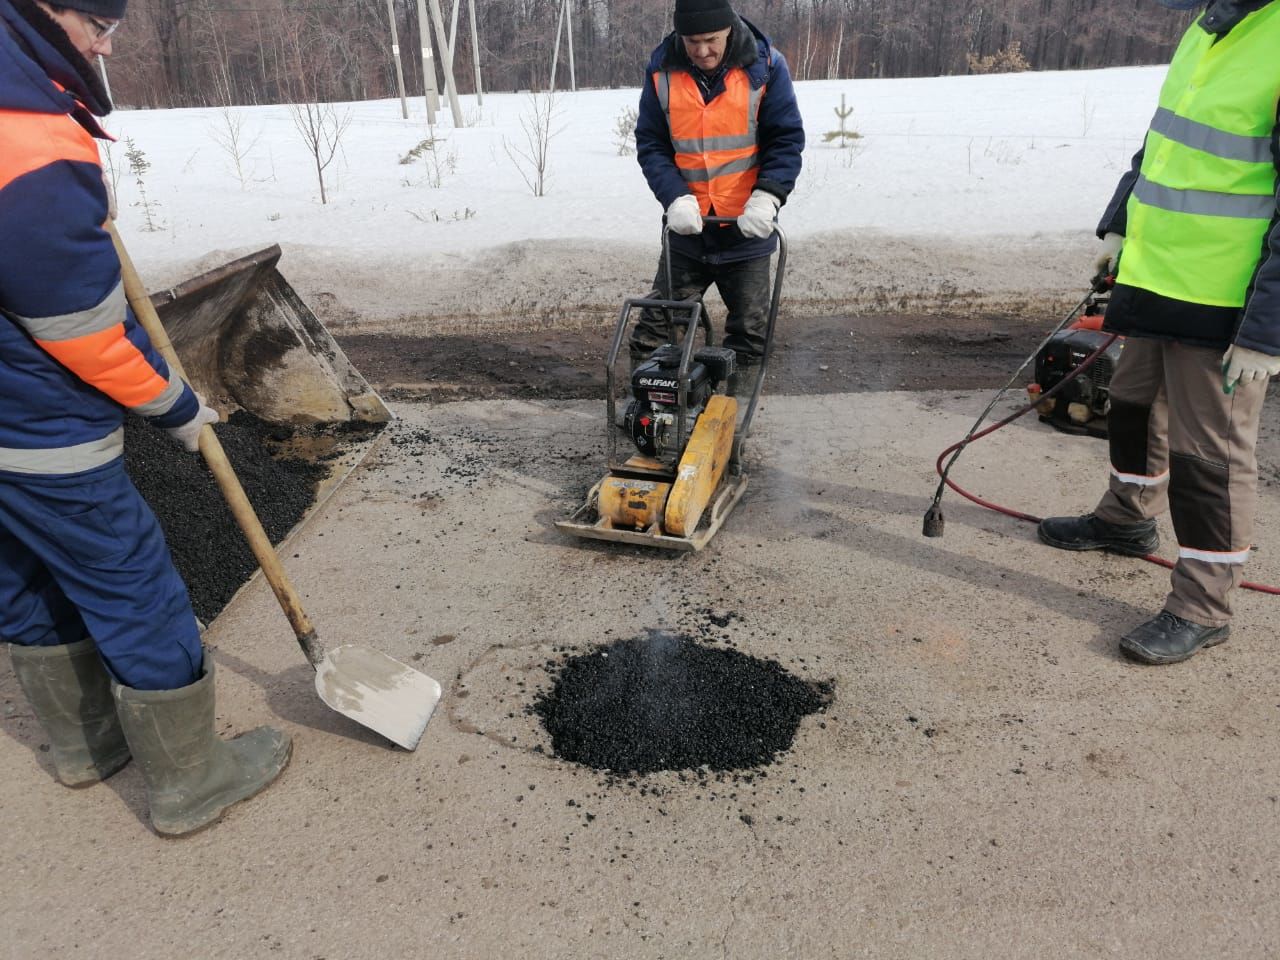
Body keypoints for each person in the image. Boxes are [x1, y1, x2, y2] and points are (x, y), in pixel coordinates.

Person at [1, 0, 290, 834]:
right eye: (97, 25)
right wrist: (176, 406)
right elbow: (80, 329)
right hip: (36, 424)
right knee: (130, 583)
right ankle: (191, 779)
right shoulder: (29, 140)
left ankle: (86, 745)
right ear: (48, 11)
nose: (103, 45)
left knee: (20, 569)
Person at [1038, 0, 1280, 665]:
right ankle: (1126, 518)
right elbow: (1166, 143)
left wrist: (1268, 330)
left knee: (1210, 459)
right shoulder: (1212, 22)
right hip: (1160, 275)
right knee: (1136, 405)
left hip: (1228, 301)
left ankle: (1204, 606)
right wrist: (1120, 222)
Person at [630, 0, 804, 397]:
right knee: (655, 327)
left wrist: (768, 197)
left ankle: (730, 417)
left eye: (711, 40)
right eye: (692, 41)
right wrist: (675, 197)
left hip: (747, 230)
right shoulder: (662, 71)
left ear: (729, 29)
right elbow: (651, 143)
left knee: (749, 335)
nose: (702, 51)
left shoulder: (766, 68)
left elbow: (786, 140)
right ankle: (650, 412)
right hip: (689, 231)